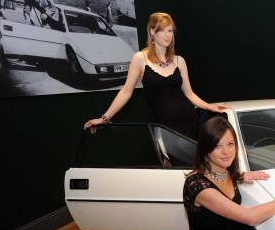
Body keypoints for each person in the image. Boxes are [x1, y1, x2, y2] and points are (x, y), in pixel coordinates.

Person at [83, 12, 226, 139]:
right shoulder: (140, 59)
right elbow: (126, 92)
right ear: (152, 31)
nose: (168, 35)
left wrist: (209, 107)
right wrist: (104, 118)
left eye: (170, 30)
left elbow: (189, 94)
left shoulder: (179, 60)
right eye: (162, 30)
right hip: (165, 128)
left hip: (190, 123)